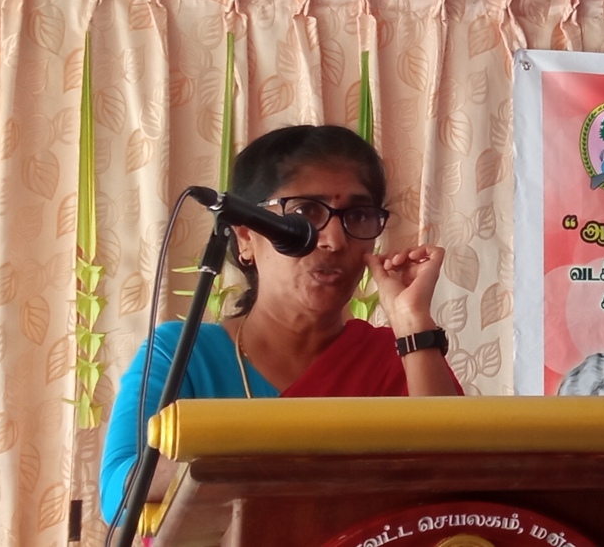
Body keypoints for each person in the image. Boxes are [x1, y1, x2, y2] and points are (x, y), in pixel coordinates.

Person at [99, 125, 463, 525]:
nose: (334, 240)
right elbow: (120, 488)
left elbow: (458, 485)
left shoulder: (396, 355)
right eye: (306, 212)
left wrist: (412, 321)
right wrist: (289, 470)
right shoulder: (182, 352)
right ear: (245, 236)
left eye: (358, 216)